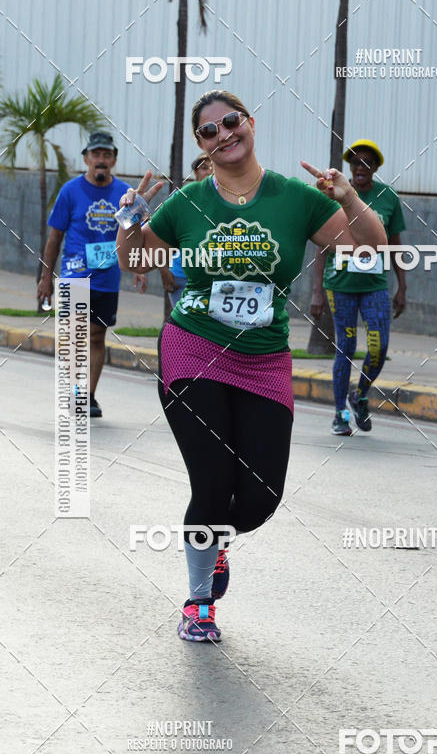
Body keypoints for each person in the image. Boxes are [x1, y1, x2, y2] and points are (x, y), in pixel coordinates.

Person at [116, 90, 387, 642]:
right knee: (212, 483)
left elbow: (370, 247)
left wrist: (348, 199)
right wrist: (128, 220)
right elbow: (136, 259)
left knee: (261, 496)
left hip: (264, 359)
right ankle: (198, 604)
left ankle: (214, 542)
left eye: (230, 123)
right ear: (201, 144)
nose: (223, 135)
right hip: (194, 347)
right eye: (209, 131)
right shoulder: (189, 201)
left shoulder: (294, 197)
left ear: (250, 124)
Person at [37, 132, 144, 418]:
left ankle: (89, 396)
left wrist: (138, 266)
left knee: (97, 338)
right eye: (96, 155)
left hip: (107, 278)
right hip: (75, 274)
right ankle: (75, 392)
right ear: (86, 158)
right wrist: (47, 277)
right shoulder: (70, 191)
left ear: (114, 160)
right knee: (75, 335)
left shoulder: (123, 194)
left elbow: (134, 234)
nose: (101, 160)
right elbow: (55, 236)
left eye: (107, 155)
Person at [311, 139, 407, 435]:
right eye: (355, 163)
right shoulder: (333, 196)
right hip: (340, 286)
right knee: (346, 348)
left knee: (379, 347)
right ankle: (340, 413)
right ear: (349, 168)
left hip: (375, 286)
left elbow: (395, 245)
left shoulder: (388, 197)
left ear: (375, 167)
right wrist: (316, 291)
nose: (360, 168)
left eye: (367, 163)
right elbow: (322, 248)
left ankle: (360, 395)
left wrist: (402, 286)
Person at [161, 153, 213, 310]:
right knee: (184, 327)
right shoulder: (181, 198)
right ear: (195, 172)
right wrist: (164, 269)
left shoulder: (230, 201)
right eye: (204, 168)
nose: (210, 172)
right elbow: (162, 234)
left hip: (215, 279)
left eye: (214, 167)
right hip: (181, 276)